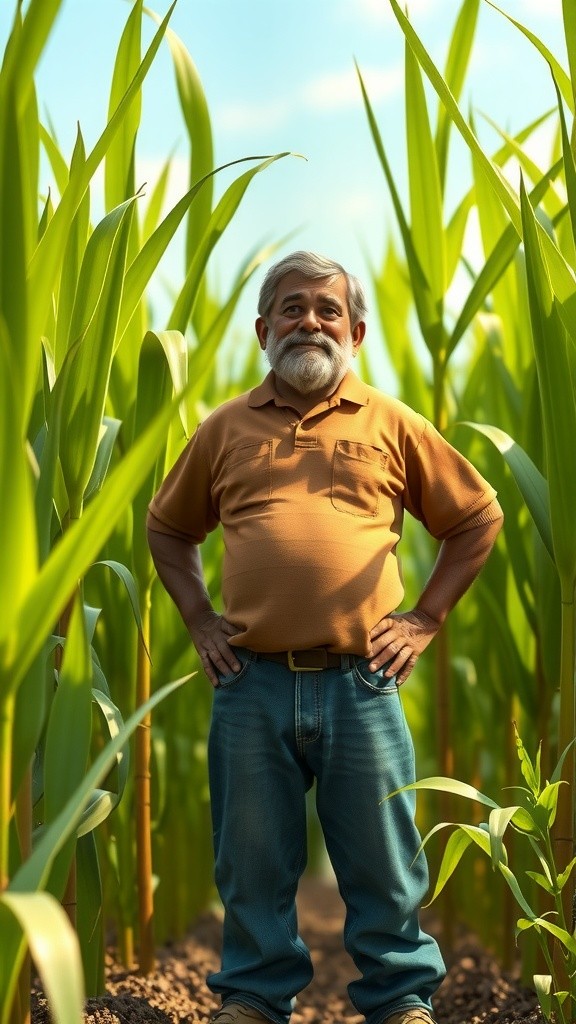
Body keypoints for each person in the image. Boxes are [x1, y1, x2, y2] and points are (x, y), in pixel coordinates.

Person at [147, 251, 503, 1024]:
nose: (310, 321)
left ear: (356, 332)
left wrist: (426, 619)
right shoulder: (225, 428)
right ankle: (253, 998)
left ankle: (401, 1000)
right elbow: (168, 527)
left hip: (361, 681)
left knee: (385, 859)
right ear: (263, 330)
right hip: (251, 681)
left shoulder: (391, 423)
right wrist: (199, 620)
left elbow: (477, 517)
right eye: (292, 308)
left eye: (327, 310)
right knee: (251, 859)